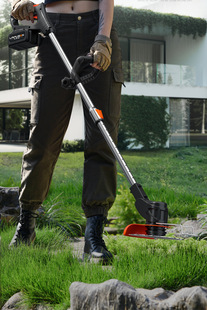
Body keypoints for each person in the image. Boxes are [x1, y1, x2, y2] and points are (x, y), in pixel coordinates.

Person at [9, 0, 124, 263]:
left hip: (96, 30)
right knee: (43, 139)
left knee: (102, 137)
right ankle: (26, 225)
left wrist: (103, 39)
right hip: (51, 31)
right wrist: (18, 2)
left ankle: (94, 235)